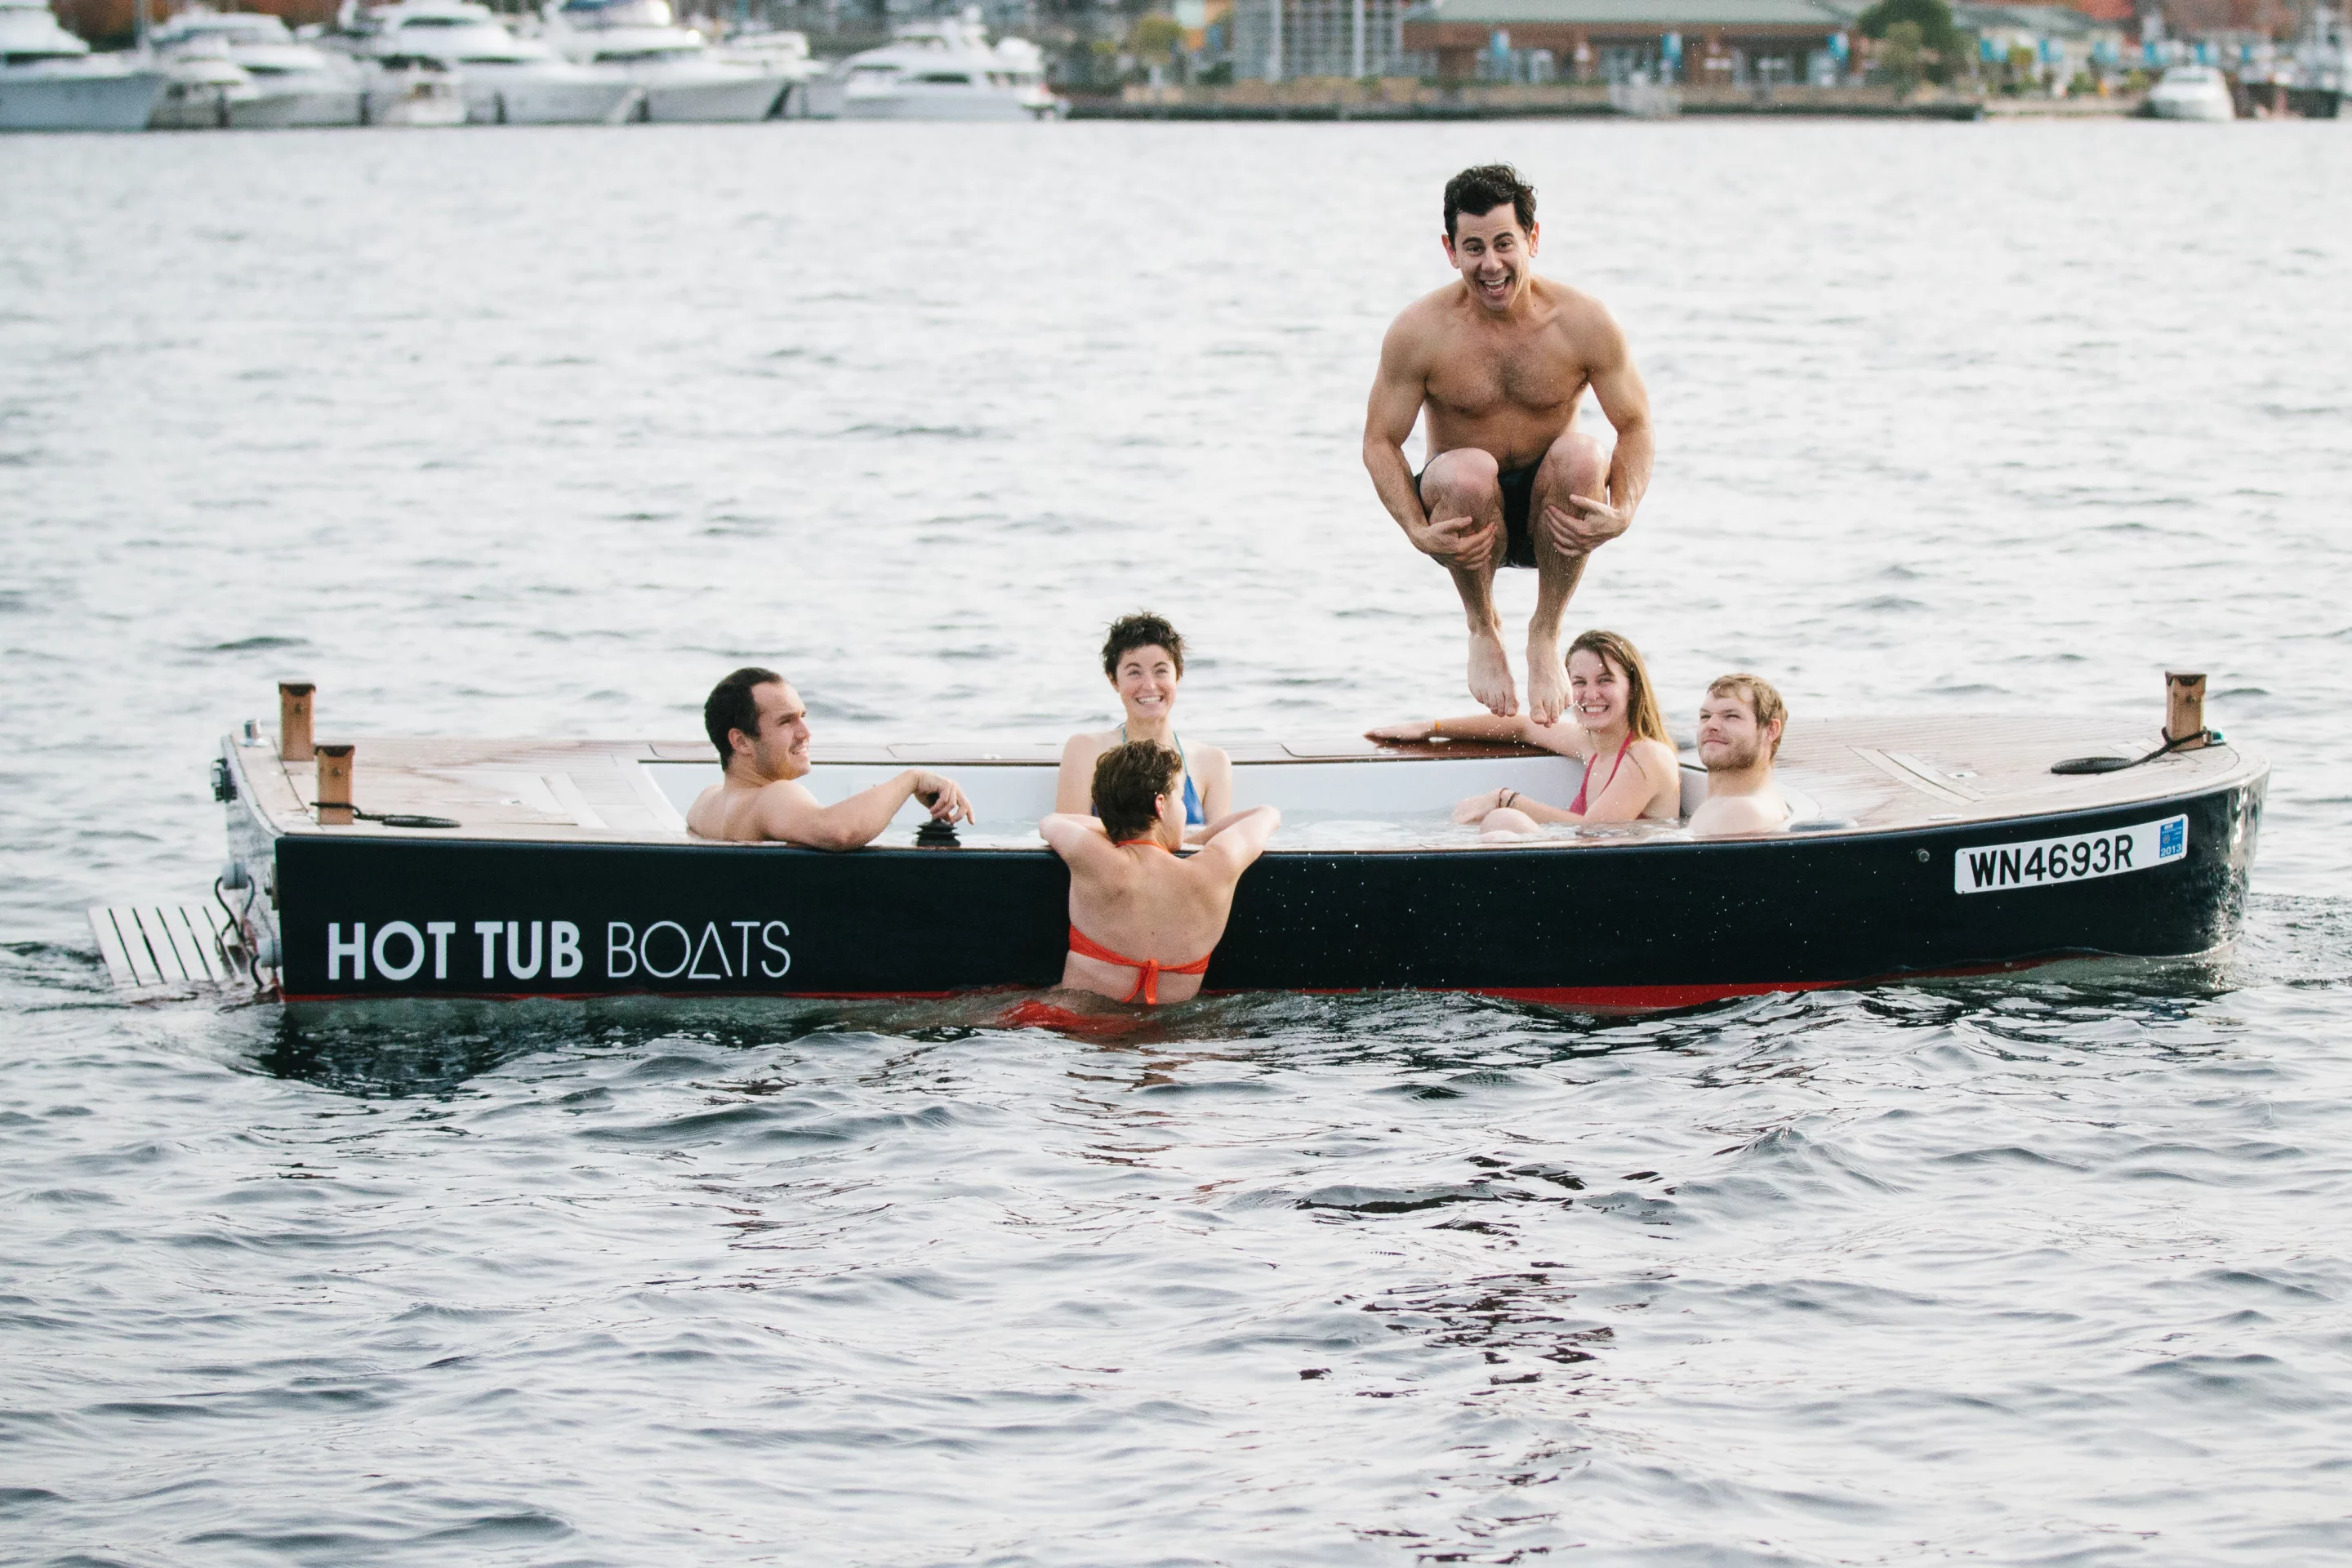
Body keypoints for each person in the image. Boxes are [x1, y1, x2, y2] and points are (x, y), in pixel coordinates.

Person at [1363, 163, 1655, 728]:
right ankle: (1482, 626)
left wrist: (1624, 511)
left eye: (1504, 244)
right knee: (1469, 470)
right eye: (1473, 248)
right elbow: (1379, 441)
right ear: (1450, 250)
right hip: (1467, 515)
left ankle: (1544, 631)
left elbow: (1636, 424)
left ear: (1533, 240)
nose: (1490, 264)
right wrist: (1415, 530)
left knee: (1584, 455)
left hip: (1555, 509)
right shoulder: (1419, 332)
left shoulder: (1584, 322)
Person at [1039, 740, 1279, 1006]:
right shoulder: (1214, 867)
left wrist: (1116, 824)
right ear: (1160, 805)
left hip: (1076, 1023)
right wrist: (1198, 838)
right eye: (1179, 799)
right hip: (1172, 1037)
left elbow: (1052, 821)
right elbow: (1266, 814)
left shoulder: (1093, 857)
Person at [1365, 630, 1679, 833]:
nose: (1591, 694)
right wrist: (1430, 727)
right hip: (1590, 871)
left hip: (1623, 886)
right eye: (1579, 683)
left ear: (1634, 689)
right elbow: (1522, 727)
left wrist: (1506, 799)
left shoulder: (1646, 756)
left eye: (1605, 680)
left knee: (1504, 819)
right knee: (1487, 819)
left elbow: (1594, 830)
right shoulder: (1593, 745)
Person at [685, 666, 973, 848]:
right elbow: (838, 831)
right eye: (786, 722)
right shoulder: (773, 796)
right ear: (741, 741)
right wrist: (912, 779)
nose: (805, 733)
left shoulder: (705, 803)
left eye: (803, 717)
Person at [1055, 612, 1232, 843]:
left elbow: (1219, 850)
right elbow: (1067, 836)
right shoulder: (1085, 749)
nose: (1149, 685)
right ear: (1113, 680)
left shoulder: (1212, 761)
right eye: (1134, 672)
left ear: (1178, 676)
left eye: (1161, 671)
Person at [1686, 673, 1790, 835]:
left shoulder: (1742, 812)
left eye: (1731, 716)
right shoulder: (1729, 804)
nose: (1711, 725)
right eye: (1705, 716)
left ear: (1771, 730)